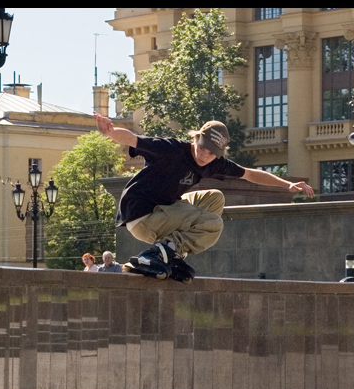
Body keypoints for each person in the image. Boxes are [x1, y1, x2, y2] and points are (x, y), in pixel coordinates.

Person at [94, 113, 314, 282]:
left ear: (218, 153)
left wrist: (286, 184)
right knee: (213, 223)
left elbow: (249, 174)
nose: (203, 156)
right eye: (201, 148)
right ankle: (156, 254)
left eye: (210, 153)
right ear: (196, 138)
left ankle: (172, 254)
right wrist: (110, 132)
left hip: (164, 211)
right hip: (141, 216)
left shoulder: (215, 163)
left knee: (214, 199)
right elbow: (134, 139)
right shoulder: (171, 149)